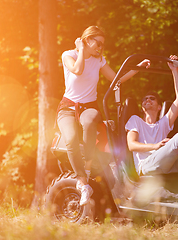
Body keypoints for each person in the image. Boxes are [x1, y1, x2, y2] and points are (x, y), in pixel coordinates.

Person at [57, 26, 150, 206]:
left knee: (90, 120)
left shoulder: (99, 60)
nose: (100, 47)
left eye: (102, 44)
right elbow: (77, 70)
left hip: (89, 108)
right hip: (67, 107)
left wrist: (137, 68)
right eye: (97, 43)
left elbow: (116, 79)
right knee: (71, 139)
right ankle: (83, 184)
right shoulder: (69, 55)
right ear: (87, 39)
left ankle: (88, 168)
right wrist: (82, 50)